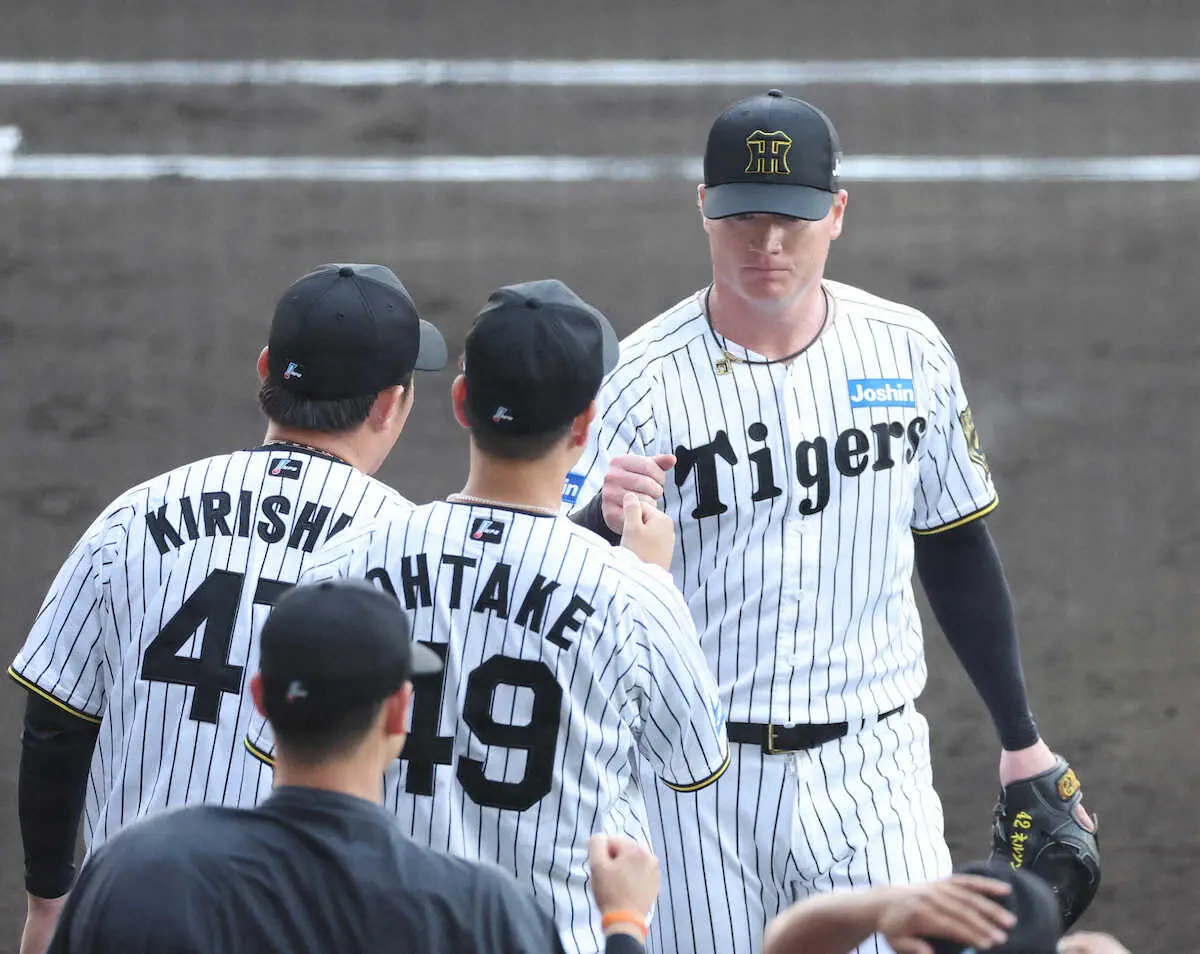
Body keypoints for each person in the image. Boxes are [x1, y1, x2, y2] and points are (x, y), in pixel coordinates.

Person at [566, 90, 1096, 954]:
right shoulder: (636, 382)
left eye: (792, 217)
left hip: (876, 775)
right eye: (744, 216)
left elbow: (953, 543)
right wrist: (596, 518)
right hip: (693, 784)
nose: (767, 242)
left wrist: (1020, 740)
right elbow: (558, 574)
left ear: (838, 213)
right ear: (703, 207)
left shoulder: (907, 351)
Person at [243, 279, 731, 954]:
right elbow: (694, 765)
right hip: (556, 936)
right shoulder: (633, 593)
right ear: (585, 424)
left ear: (460, 401)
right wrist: (650, 577)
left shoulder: (345, 562)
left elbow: (283, 756)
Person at [11, 263, 447, 954]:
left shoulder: (133, 517)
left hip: (127, 913)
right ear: (389, 404)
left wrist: (47, 900)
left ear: (266, 368)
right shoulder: (411, 553)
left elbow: (55, 725)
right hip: (302, 926)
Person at [44, 579, 661, 954]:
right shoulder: (482, 912)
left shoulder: (137, 868)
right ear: (399, 712)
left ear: (260, 701)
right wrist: (624, 923)